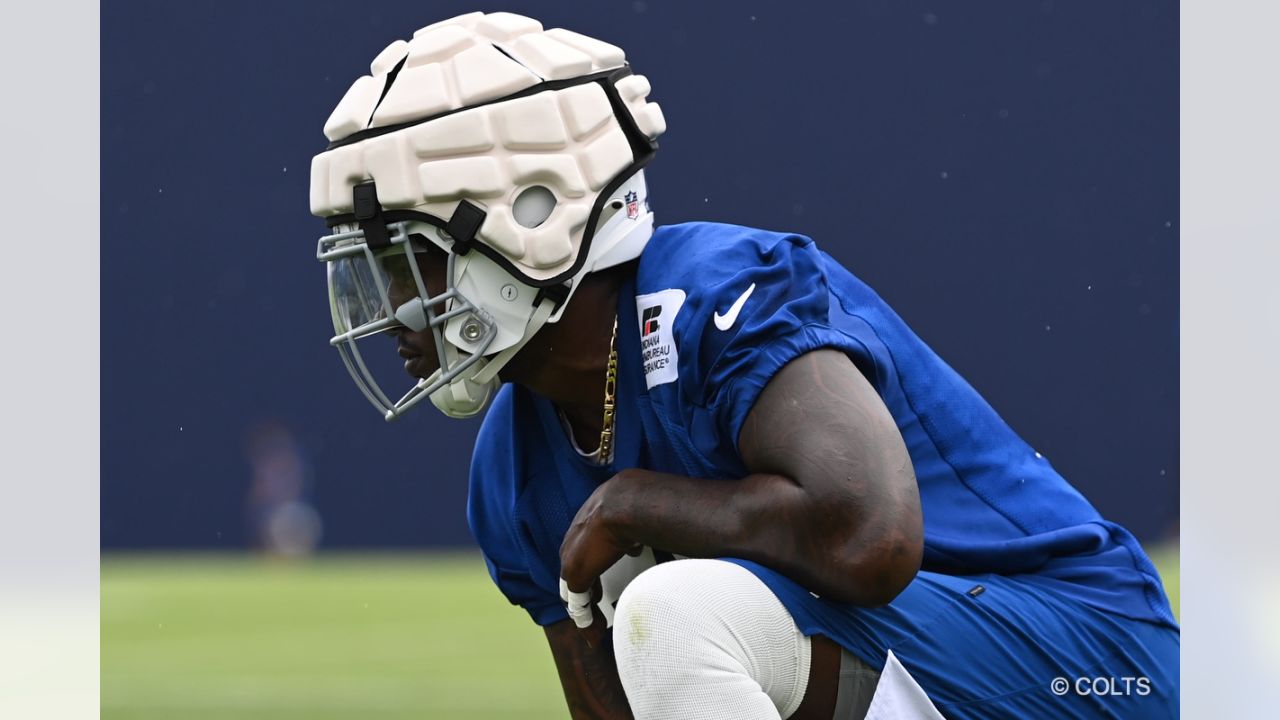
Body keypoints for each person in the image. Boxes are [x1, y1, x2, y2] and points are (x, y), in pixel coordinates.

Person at [308, 12, 1178, 718]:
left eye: (404, 263)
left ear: (527, 220)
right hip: (930, 674)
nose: (391, 313)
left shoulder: (722, 294)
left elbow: (871, 541)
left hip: (1099, 668)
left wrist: (638, 504)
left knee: (674, 614)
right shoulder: (509, 471)